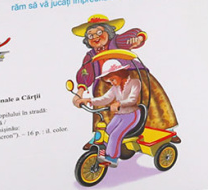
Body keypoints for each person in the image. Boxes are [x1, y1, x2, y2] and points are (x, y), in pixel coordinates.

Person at [71, 14, 180, 143]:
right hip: (105, 82)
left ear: (109, 32)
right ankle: (101, 138)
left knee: (150, 102)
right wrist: (79, 93)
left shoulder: (117, 41)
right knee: (104, 110)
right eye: (90, 35)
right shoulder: (90, 56)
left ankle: (168, 132)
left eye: (99, 32)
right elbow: (85, 73)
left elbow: (131, 36)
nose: (95, 37)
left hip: (131, 75)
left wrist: (138, 38)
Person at [80, 58, 142, 167]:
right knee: (107, 131)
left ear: (120, 73)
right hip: (120, 115)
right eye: (109, 81)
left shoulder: (135, 82)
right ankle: (104, 152)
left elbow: (132, 100)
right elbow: (105, 98)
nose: (112, 83)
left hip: (132, 115)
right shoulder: (115, 87)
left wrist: (119, 103)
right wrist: (90, 100)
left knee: (115, 134)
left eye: (112, 79)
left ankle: (112, 157)